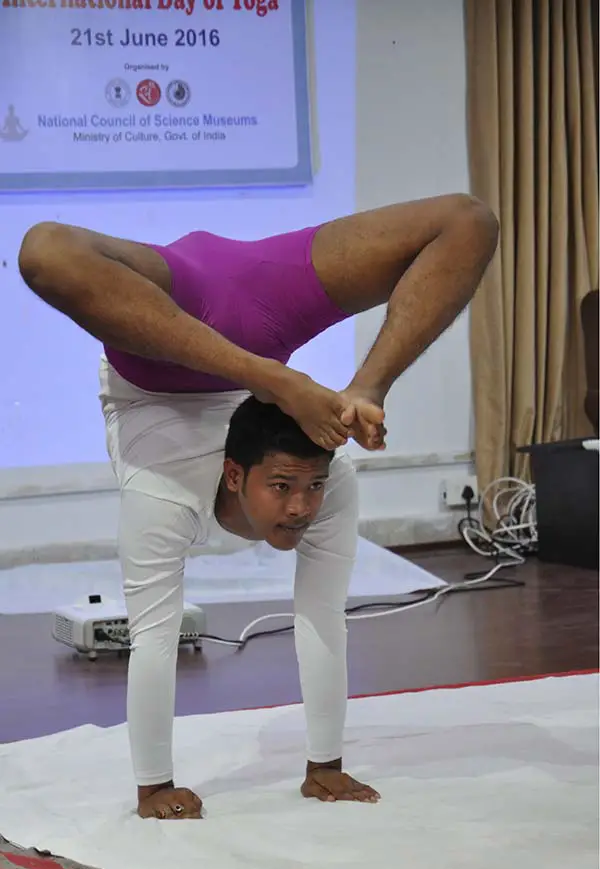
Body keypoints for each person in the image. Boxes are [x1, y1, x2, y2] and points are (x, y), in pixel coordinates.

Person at [18, 194, 499, 820]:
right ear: (235, 476)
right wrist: (153, 785)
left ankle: (362, 387)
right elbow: (154, 640)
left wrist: (325, 765)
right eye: (282, 489)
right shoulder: (160, 494)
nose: (302, 508)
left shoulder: (328, 478)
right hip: (165, 353)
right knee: (43, 253)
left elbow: (324, 617)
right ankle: (267, 374)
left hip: (253, 301)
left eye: (310, 489)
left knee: (472, 220)